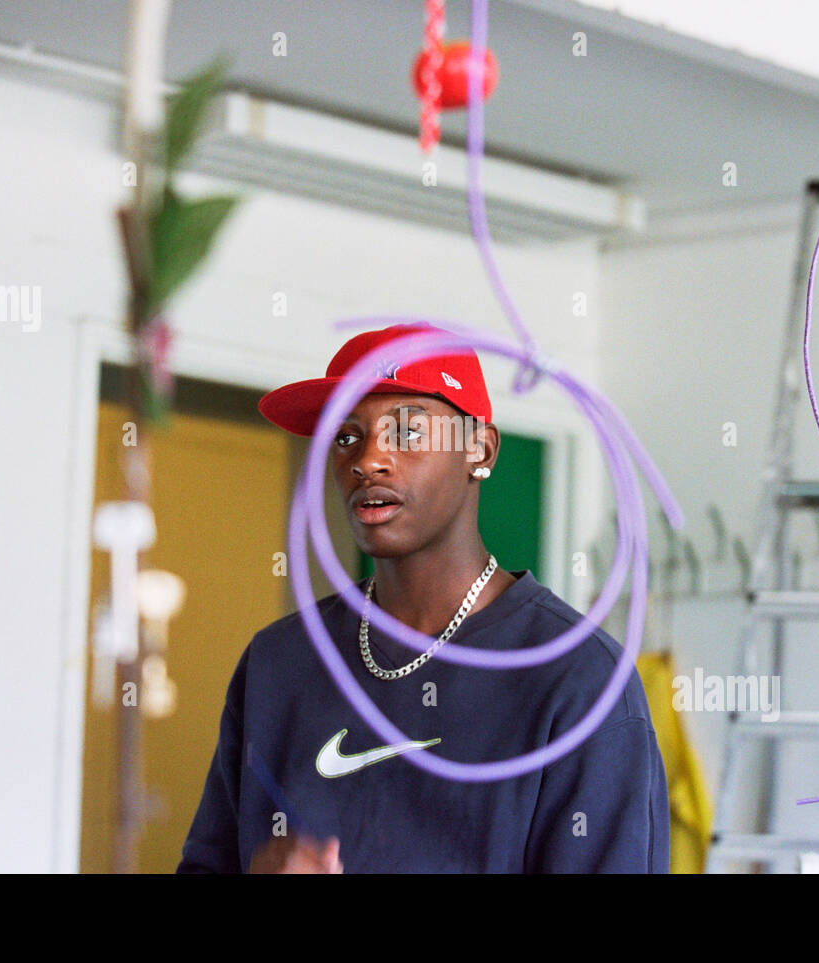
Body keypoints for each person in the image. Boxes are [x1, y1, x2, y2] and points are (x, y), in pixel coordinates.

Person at [176, 322, 669, 873]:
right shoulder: (279, 662)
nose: (367, 460)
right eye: (345, 436)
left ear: (479, 449)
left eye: (407, 431)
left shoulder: (580, 679)